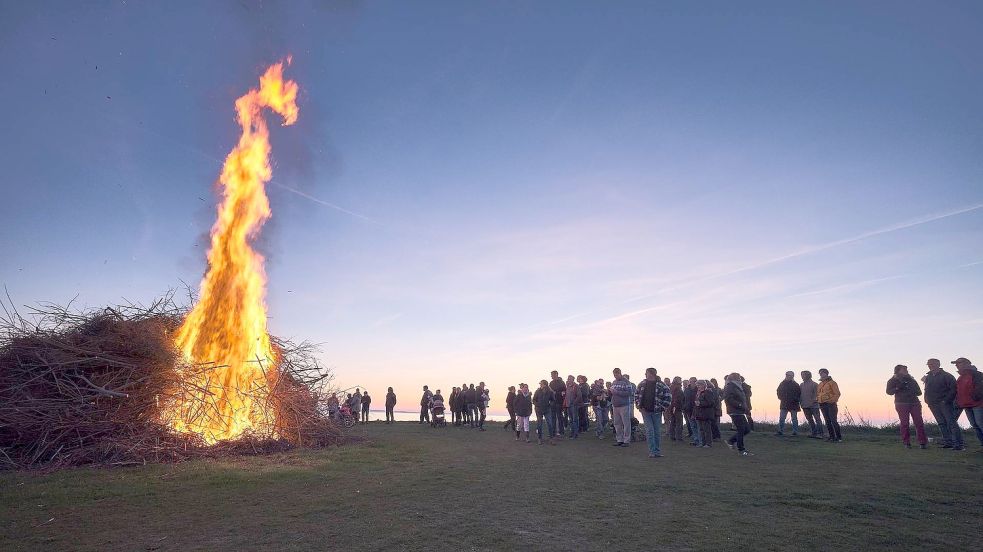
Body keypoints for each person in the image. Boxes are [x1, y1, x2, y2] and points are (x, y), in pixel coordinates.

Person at [923, 359, 962, 450]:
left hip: (945, 403)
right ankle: (948, 442)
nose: (930, 366)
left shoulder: (947, 376)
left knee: (951, 423)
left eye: (932, 364)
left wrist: (946, 401)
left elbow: (953, 390)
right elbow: (927, 389)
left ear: (938, 364)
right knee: (941, 423)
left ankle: (958, 444)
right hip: (933, 404)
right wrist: (927, 400)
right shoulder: (928, 377)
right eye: (928, 364)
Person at [886, 365, 927, 449]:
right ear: (897, 371)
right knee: (905, 423)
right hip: (901, 404)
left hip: (914, 403)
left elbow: (919, 393)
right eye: (904, 369)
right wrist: (898, 387)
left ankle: (922, 442)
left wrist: (912, 391)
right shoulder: (892, 380)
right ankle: (906, 443)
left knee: (919, 422)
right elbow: (889, 392)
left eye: (906, 369)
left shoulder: (912, 380)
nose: (906, 370)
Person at [636, 367, 672, 458]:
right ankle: (652, 451)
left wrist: (663, 407)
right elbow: (636, 394)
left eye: (646, 373)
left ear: (651, 374)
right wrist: (638, 406)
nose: (645, 374)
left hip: (657, 412)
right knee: (649, 431)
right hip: (645, 411)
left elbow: (668, 397)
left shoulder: (661, 385)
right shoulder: (642, 384)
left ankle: (657, 451)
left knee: (657, 432)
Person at [953, 357, 983, 451]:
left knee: (980, 424)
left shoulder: (977, 374)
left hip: (978, 404)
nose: (957, 365)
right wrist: (958, 402)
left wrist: (975, 397)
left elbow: (980, 388)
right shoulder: (960, 377)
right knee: (974, 425)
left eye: (959, 363)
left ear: (967, 364)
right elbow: (958, 391)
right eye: (956, 364)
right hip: (966, 405)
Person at [723, 373, 753, 456]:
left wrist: (744, 407)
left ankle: (731, 441)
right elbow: (729, 399)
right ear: (735, 378)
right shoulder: (730, 386)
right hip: (735, 411)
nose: (740, 379)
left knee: (746, 429)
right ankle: (741, 450)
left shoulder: (738, 386)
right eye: (739, 377)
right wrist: (740, 405)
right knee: (741, 430)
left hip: (740, 411)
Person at [817, 368, 842, 442]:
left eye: (823, 373)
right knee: (827, 421)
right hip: (822, 404)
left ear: (827, 373)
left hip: (831, 404)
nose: (821, 374)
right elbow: (818, 394)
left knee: (833, 421)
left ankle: (838, 437)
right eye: (820, 373)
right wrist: (818, 400)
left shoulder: (832, 383)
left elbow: (837, 393)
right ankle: (831, 437)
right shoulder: (820, 384)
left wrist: (832, 401)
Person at [799, 371, 824, 439]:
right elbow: (800, 395)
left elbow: (818, 395)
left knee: (817, 420)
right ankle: (814, 433)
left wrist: (814, 401)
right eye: (801, 375)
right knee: (810, 420)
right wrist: (801, 403)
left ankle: (820, 434)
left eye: (803, 375)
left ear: (808, 375)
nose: (802, 376)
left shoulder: (815, 384)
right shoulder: (801, 385)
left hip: (814, 406)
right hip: (805, 406)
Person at [610, 368, 632, 447]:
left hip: (624, 405)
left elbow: (629, 393)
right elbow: (612, 392)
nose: (615, 376)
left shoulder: (626, 382)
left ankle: (626, 440)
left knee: (626, 423)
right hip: (615, 405)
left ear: (620, 373)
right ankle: (619, 440)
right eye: (614, 375)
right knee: (617, 423)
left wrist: (617, 392)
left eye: (616, 375)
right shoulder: (614, 382)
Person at [692, 380, 717, 448]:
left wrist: (700, 403)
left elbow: (711, 403)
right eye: (697, 385)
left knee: (707, 429)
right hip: (699, 413)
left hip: (706, 414)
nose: (698, 387)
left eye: (699, 385)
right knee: (701, 429)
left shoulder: (708, 392)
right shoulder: (698, 393)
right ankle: (702, 443)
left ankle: (708, 443)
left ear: (703, 385)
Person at [776, 371, 801, 436]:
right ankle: (780, 431)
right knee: (782, 418)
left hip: (793, 404)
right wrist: (781, 398)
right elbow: (778, 391)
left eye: (790, 375)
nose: (789, 376)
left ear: (793, 376)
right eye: (788, 375)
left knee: (794, 419)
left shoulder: (796, 384)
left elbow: (799, 393)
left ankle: (795, 432)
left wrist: (795, 399)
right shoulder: (782, 383)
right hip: (784, 403)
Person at [533, 379, 556, 444]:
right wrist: (537, 405)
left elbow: (553, 400)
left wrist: (550, 404)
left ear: (544, 384)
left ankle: (551, 439)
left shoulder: (550, 392)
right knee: (539, 424)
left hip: (547, 410)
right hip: (539, 410)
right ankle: (539, 438)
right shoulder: (537, 391)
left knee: (550, 424)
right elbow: (534, 400)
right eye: (540, 384)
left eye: (541, 384)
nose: (540, 385)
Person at [682, 377, 700, 445]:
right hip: (688, 410)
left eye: (695, 381)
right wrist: (684, 407)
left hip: (697, 410)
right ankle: (696, 439)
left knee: (698, 425)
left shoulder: (698, 390)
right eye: (692, 381)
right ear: (690, 382)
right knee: (693, 425)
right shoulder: (686, 390)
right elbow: (683, 399)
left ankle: (700, 440)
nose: (694, 383)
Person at [549, 371, 567, 437]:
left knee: (560, 417)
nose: (551, 376)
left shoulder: (561, 383)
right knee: (553, 417)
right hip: (552, 402)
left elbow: (564, 392)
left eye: (552, 375)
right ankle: (553, 432)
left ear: (556, 375)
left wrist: (556, 393)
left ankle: (561, 431)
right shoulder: (551, 383)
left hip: (559, 402)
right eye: (551, 375)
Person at [668, 377, 683, 441]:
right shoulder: (678, 388)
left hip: (671, 407)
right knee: (679, 423)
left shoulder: (671, 387)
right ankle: (678, 437)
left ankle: (672, 436)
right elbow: (678, 398)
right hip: (677, 407)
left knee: (673, 422)